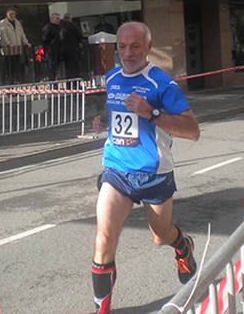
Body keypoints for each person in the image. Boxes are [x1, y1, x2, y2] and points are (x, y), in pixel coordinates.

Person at [90, 22, 200, 314]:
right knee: (104, 239)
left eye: (135, 46)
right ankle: (102, 309)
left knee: (160, 236)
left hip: (154, 174)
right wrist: (103, 119)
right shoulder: (111, 77)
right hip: (117, 170)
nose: (127, 53)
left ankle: (182, 245)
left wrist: (150, 112)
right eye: (122, 47)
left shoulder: (162, 84)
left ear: (148, 48)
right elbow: (116, 109)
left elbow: (192, 130)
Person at [0, 8, 30, 84]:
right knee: (9, 67)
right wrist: (8, 43)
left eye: (13, 14)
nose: (12, 15)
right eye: (10, 14)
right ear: (7, 14)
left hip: (17, 48)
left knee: (17, 66)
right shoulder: (3, 23)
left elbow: (22, 34)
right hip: (8, 50)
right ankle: (9, 83)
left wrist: (26, 42)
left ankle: (16, 82)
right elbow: (2, 34)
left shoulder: (17, 22)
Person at [59, 13, 83, 79]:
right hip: (73, 49)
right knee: (74, 68)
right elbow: (80, 35)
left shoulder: (60, 26)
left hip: (62, 50)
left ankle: (68, 83)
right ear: (70, 19)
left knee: (66, 68)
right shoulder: (73, 26)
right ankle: (75, 83)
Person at [42, 13, 61, 80]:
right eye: (57, 18)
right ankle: (52, 83)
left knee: (56, 68)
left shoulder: (59, 27)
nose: (59, 20)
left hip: (57, 50)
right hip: (51, 51)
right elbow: (45, 39)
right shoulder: (48, 27)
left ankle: (55, 81)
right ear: (52, 19)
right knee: (51, 68)